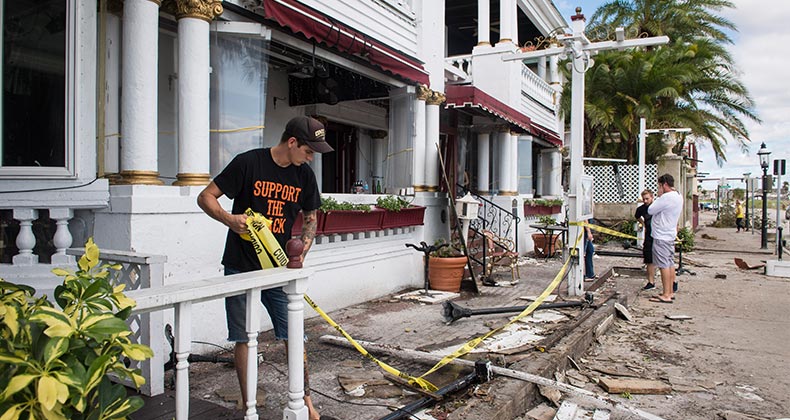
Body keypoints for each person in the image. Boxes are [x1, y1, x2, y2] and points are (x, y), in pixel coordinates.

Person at [197, 116, 334, 420]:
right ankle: (249, 409)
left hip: (279, 268)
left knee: (294, 334)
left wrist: (301, 253)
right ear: (292, 142)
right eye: (309, 151)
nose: (311, 158)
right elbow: (205, 196)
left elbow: (311, 216)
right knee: (244, 337)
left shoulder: (304, 175)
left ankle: (306, 404)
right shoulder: (248, 163)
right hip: (240, 266)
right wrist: (229, 220)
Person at [647, 174, 683, 303]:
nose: (659, 189)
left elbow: (651, 210)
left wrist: (659, 197)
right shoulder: (678, 195)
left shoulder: (666, 198)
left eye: (660, 186)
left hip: (661, 235)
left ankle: (666, 294)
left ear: (664, 185)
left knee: (663, 265)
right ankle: (670, 291)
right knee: (669, 262)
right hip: (670, 233)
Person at [635, 189, 656, 290]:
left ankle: (671, 282)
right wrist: (643, 224)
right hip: (648, 236)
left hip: (659, 235)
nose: (645, 201)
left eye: (647, 199)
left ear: (652, 197)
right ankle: (651, 282)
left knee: (664, 259)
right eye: (644, 199)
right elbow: (637, 216)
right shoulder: (642, 209)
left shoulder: (657, 207)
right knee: (649, 259)